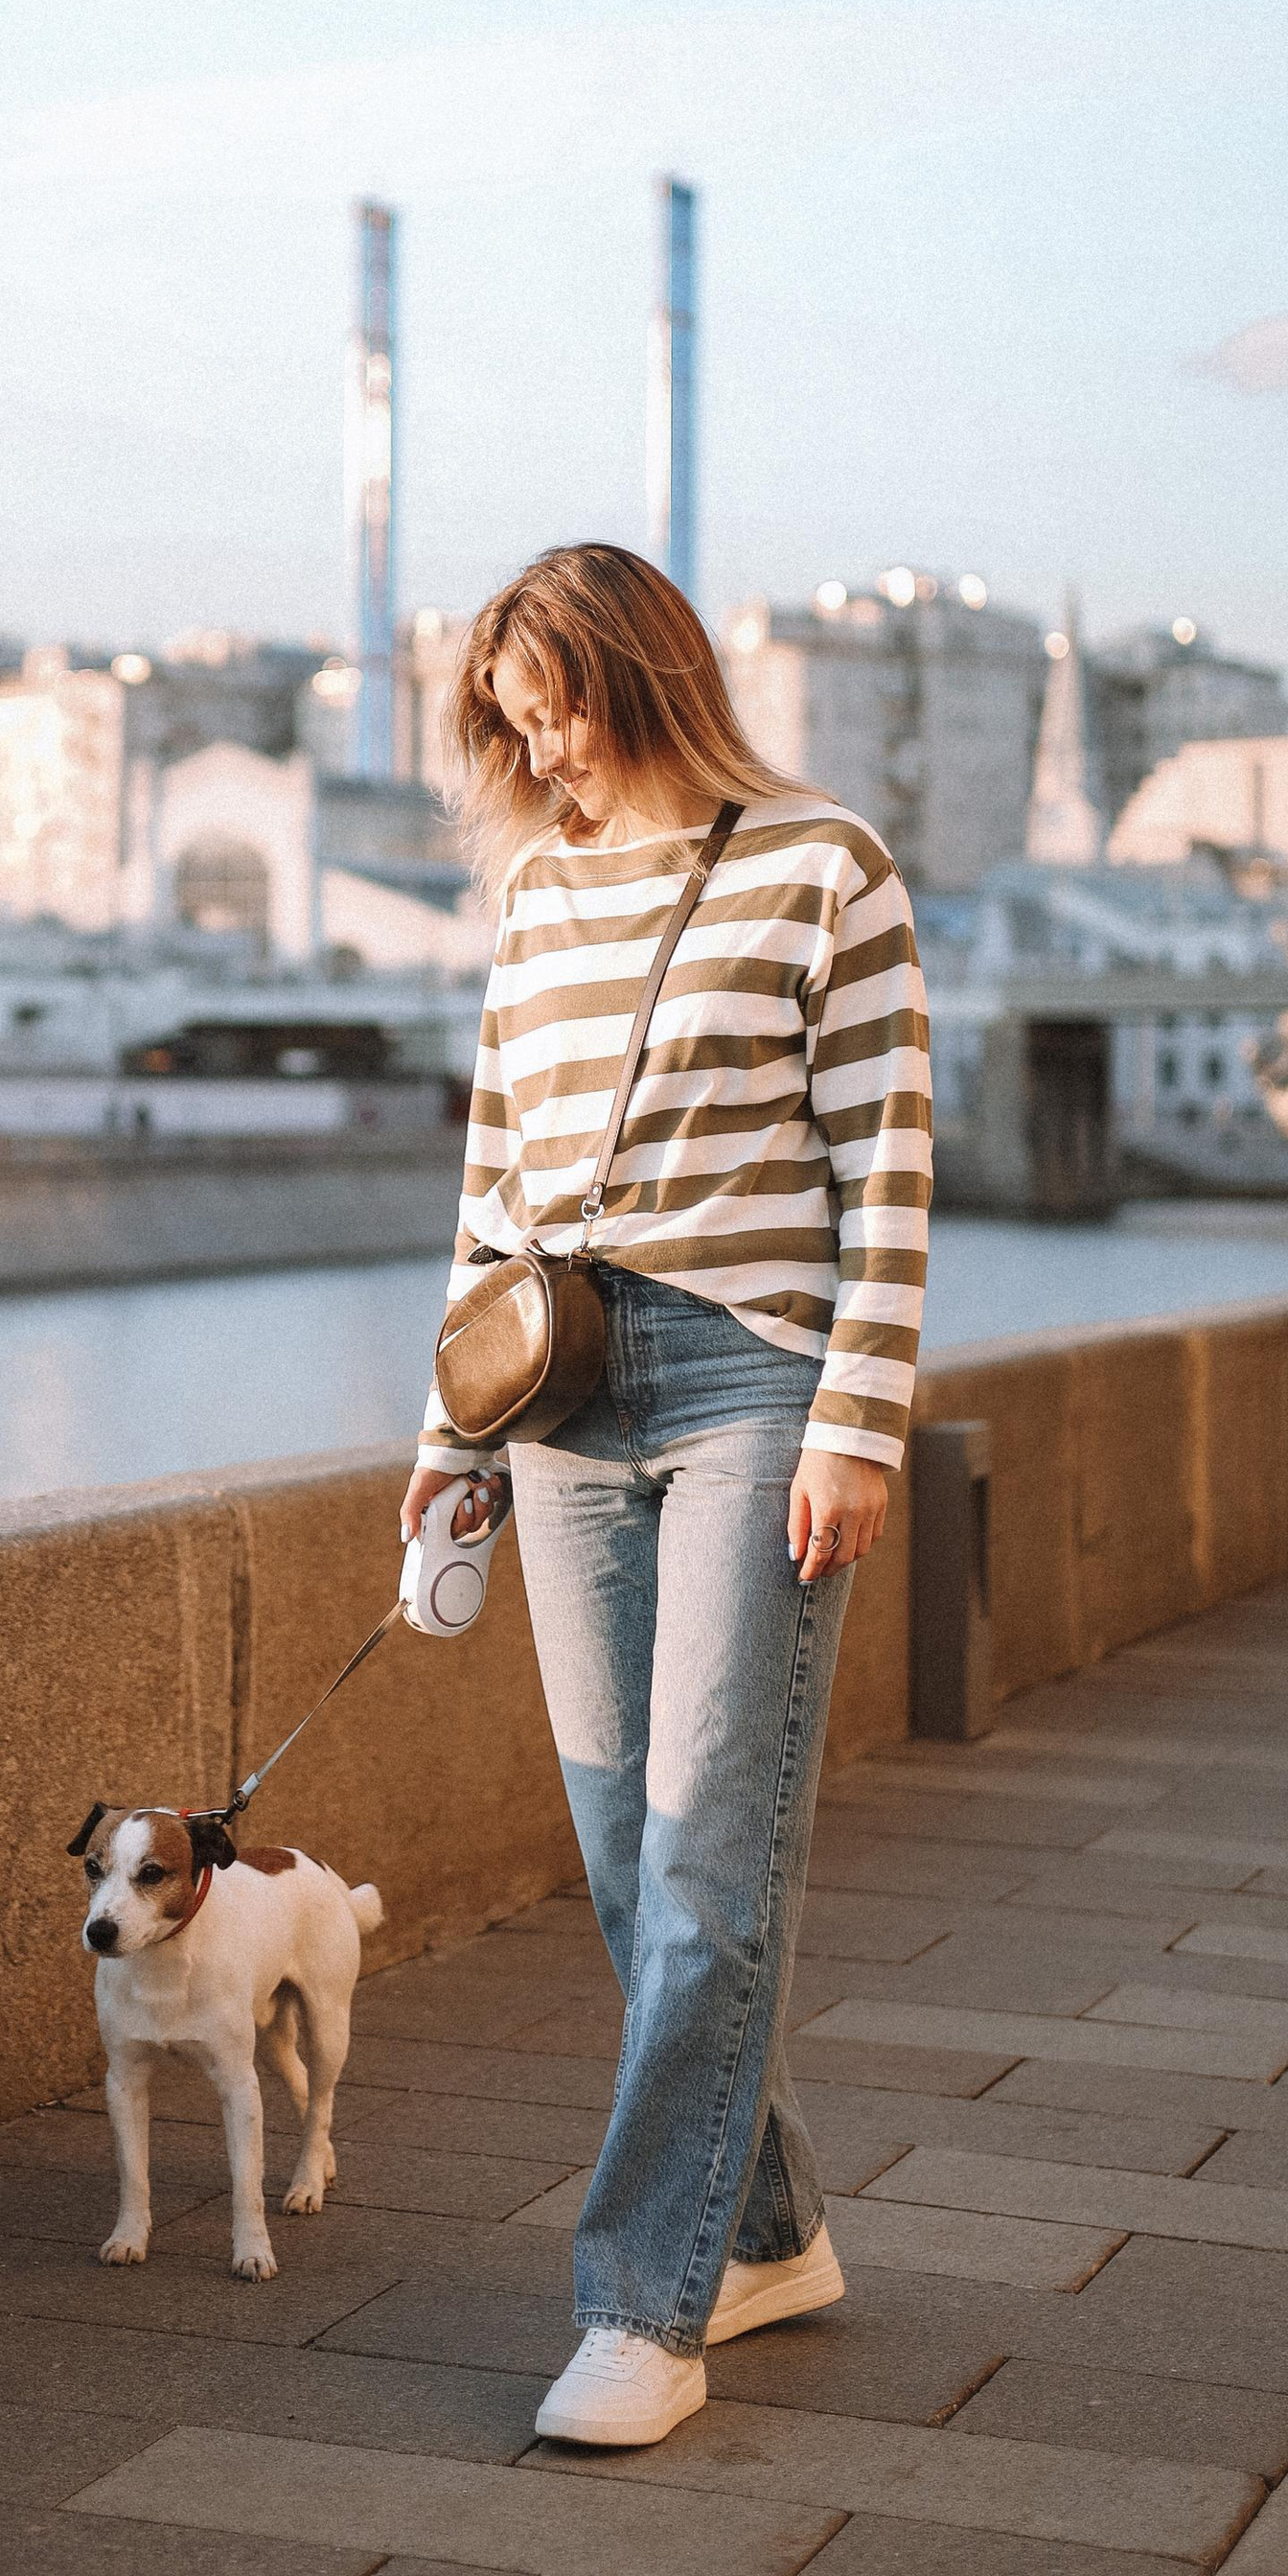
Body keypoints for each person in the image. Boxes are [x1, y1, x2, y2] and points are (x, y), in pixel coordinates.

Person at [402, 543, 931, 2448]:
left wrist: (859, 1422)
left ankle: (643, 2307)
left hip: (752, 1389)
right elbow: (495, 1183)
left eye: (553, 705)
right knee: (633, 1863)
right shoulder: (537, 897)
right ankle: (768, 2229)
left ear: (636, 676)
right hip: (560, 1400)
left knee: (711, 1864)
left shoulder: (823, 867)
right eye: (509, 719)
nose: (536, 747)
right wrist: (448, 1443)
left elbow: (886, 1167)